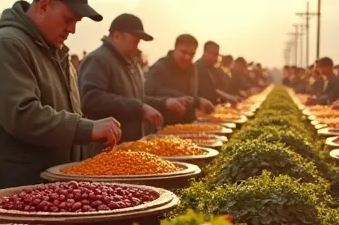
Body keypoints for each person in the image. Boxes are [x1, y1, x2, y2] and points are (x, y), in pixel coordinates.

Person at [0, 0, 122, 193]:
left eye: (76, 22)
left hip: (46, 187)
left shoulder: (56, 52)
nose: (72, 29)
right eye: (68, 19)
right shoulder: (8, 45)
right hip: (10, 190)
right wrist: (86, 128)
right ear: (43, 6)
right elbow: (22, 115)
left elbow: (66, 112)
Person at [80, 13, 186, 147]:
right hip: (106, 148)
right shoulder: (99, 59)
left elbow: (137, 99)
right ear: (117, 36)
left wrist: (165, 103)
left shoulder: (131, 63)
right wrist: (140, 108)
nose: (137, 47)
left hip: (128, 146)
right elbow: (92, 99)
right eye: (135, 41)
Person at [146, 35, 213, 123]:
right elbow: (149, 93)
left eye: (192, 54)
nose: (187, 57)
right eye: (183, 52)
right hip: (164, 123)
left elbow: (190, 95)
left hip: (187, 123)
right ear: (175, 48)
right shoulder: (159, 67)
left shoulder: (192, 68)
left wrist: (198, 101)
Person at [196, 41, 239, 105]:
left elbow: (221, 86)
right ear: (205, 52)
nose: (216, 58)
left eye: (217, 55)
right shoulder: (197, 67)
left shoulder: (213, 68)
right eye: (214, 54)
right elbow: (208, 90)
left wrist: (232, 96)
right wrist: (227, 97)